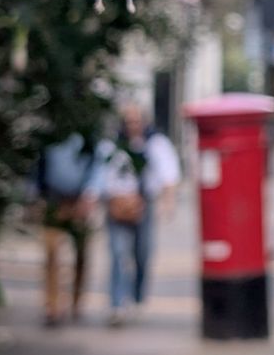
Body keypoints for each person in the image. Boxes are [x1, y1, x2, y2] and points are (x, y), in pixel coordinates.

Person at [103, 104, 180, 326]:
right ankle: (117, 304)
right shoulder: (113, 145)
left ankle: (136, 298)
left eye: (136, 121)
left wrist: (168, 202)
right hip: (117, 206)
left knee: (142, 254)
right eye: (128, 121)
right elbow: (102, 175)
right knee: (118, 253)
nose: (132, 126)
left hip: (144, 206)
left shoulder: (156, 144)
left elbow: (169, 174)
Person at [35, 131, 108, 326]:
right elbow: (39, 166)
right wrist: (37, 196)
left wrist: (90, 195)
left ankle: (76, 302)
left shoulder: (87, 135)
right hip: (53, 199)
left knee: (81, 254)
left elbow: (97, 166)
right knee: (51, 254)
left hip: (79, 200)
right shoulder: (50, 135)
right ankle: (52, 306)